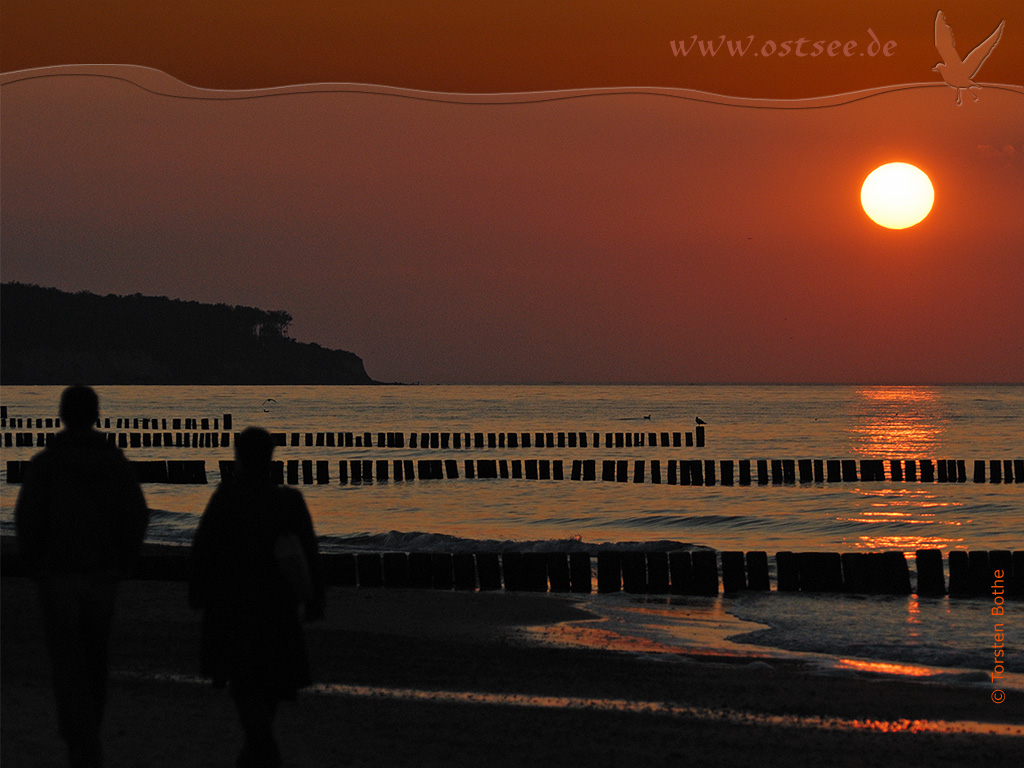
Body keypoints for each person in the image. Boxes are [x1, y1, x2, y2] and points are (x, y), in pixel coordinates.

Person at [14, 385, 150, 768]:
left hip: (57, 574)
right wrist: (127, 558)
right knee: (95, 655)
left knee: (66, 658)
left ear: (61, 415)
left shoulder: (46, 463)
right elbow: (137, 515)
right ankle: (90, 727)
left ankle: (77, 732)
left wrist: (32, 561)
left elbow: (28, 517)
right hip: (102, 573)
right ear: (96, 416)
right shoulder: (116, 463)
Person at [189, 427, 324, 768]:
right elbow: (309, 552)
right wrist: (315, 599)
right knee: (271, 679)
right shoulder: (287, 501)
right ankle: (259, 745)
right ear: (270, 457)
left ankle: (260, 745)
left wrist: (197, 591)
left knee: (242, 678)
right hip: (277, 605)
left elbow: (203, 549)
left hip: (232, 603)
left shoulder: (227, 497)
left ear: (239, 457)